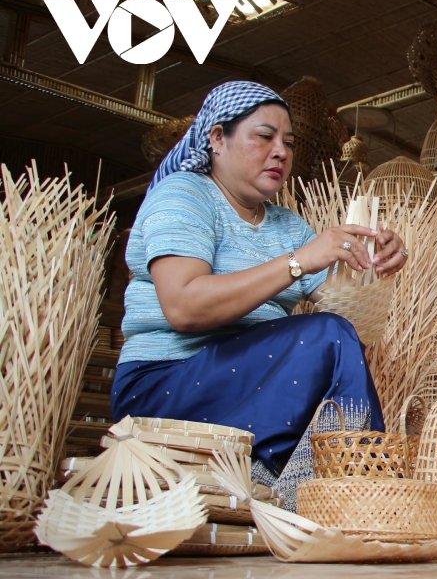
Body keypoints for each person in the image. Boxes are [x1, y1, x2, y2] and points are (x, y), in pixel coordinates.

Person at [111, 81, 410, 507]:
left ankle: (326, 487)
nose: (281, 152)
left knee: (333, 336)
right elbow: (184, 306)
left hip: (248, 385)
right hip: (165, 382)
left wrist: (378, 269)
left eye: (287, 142)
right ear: (217, 138)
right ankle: (352, 491)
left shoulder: (286, 225)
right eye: (264, 137)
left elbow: (349, 326)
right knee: (323, 334)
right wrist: (298, 262)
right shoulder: (184, 196)